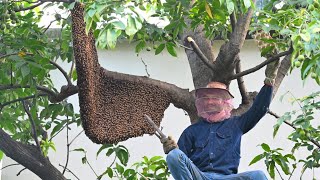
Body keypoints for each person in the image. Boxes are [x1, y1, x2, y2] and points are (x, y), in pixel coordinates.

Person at [160, 60, 280, 180]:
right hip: (199, 177)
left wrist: (269, 81)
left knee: (258, 175)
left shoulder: (236, 124)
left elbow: (259, 109)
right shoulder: (192, 131)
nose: (210, 101)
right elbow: (180, 160)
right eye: (207, 98)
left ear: (225, 101)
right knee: (173, 155)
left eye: (215, 97)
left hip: (226, 178)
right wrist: (171, 148)